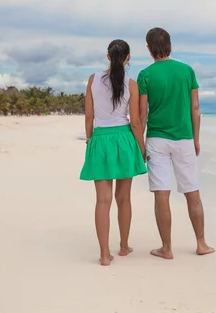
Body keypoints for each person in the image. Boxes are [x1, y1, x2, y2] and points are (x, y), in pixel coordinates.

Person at [137, 27, 215, 259]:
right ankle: (201, 244)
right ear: (170, 45)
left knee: (161, 193)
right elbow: (195, 108)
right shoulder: (187, 71)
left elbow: (143, 114)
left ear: (149, 49)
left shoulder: (145, 75)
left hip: (157, 139)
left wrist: (140, 143)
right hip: (184, 138)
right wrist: (196, 139)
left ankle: (167, 248)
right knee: (192, 191)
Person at [79, 39, 147, 266]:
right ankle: (124, 246)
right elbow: (135, 122)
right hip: (124, 139)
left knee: (102, 201)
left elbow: (89, 116)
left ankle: (104, 254)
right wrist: (142, 147)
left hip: (100, 140)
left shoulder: (92, 79)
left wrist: (90, 138)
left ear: (108, 56)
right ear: (128, 58)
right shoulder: (132, 84)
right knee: (123, 199)